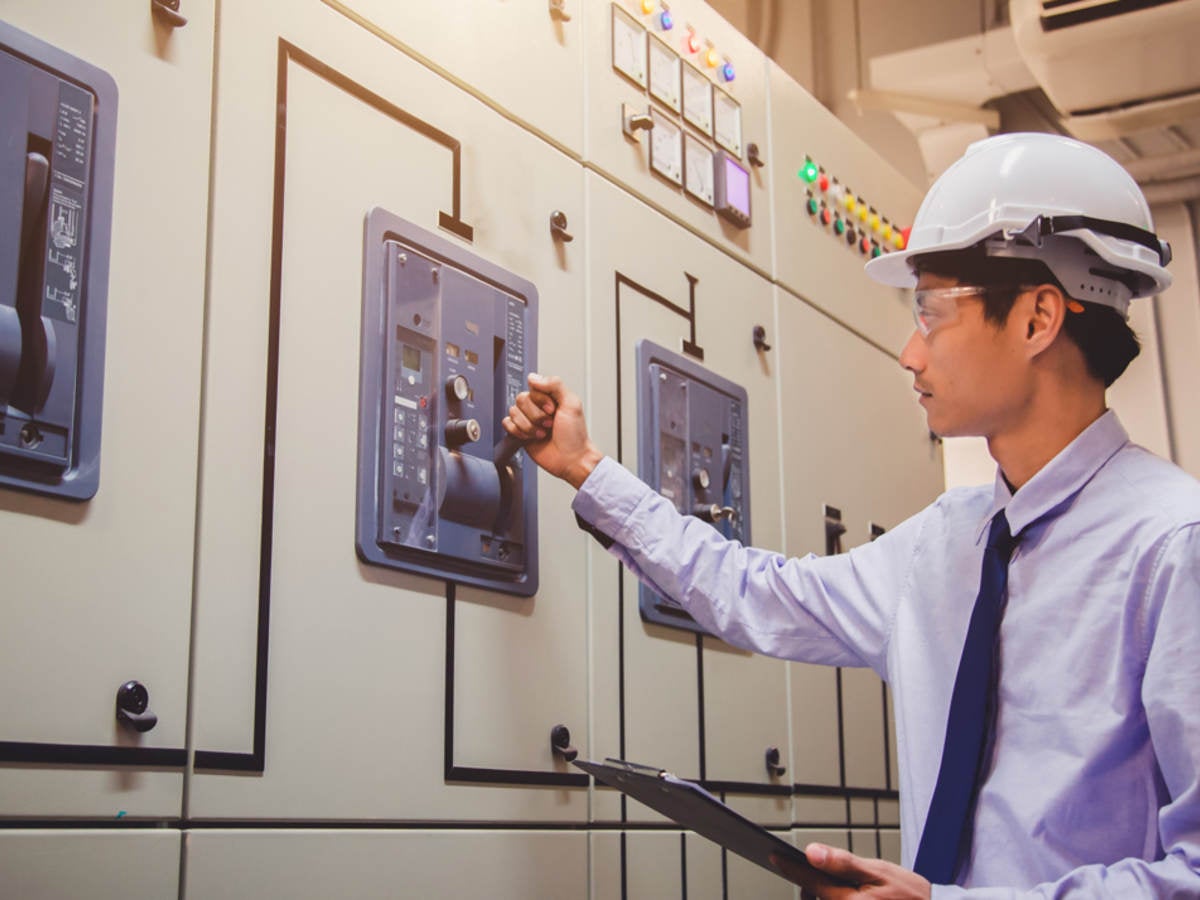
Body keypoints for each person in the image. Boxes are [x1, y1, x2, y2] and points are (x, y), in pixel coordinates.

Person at [502, 133, 1200, 898]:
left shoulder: (1174, 546)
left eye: (930, 312)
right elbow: (754, 593)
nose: (909, 353)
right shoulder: (947, 543)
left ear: (1037, 319)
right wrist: (584, 468)